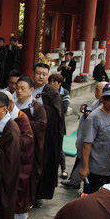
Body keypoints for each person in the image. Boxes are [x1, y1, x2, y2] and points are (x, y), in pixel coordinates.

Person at [62, 81, 107, 189]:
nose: (95, 92)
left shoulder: (107, 106)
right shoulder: (96, 103)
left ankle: (76, 182)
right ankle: (74, 181)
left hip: (96, 145)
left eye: (97, 89)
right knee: (80, 159)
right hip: (85, 138)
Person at [2, 90, 34, 219]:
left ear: (9, 104)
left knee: (19, 192)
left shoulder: (21, 118)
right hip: (8, 161)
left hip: (20, 161)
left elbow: (27, 140)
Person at [32, 63, 64, 205]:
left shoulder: (51, 92)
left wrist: (39, 107)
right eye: (38, 73)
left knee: (41, 164)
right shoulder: (27, 87)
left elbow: (57, 115)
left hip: (44, 136)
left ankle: (38, 194)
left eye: (44, 74)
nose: (41, 76)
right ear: (33, 74)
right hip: (28, 133)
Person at [15, 77, 47, 210]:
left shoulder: (36, 107)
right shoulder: (13, 104)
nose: (19, 91)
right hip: (16, 145)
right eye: (17, 88)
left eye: (23, 88)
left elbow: (41, 125)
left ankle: (28, 202)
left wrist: (24, 122)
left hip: (30, 147)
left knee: (29, 175)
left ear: (31, 90)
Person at [49, 74, 70, 179]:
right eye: (50, 81)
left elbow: (64, 109)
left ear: (60, 83)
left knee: (59, 146)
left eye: (54, 82)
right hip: (47, 123)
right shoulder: (46, 91)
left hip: (59, 124)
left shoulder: (64, 93)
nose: (52, 84)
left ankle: (64, 168)